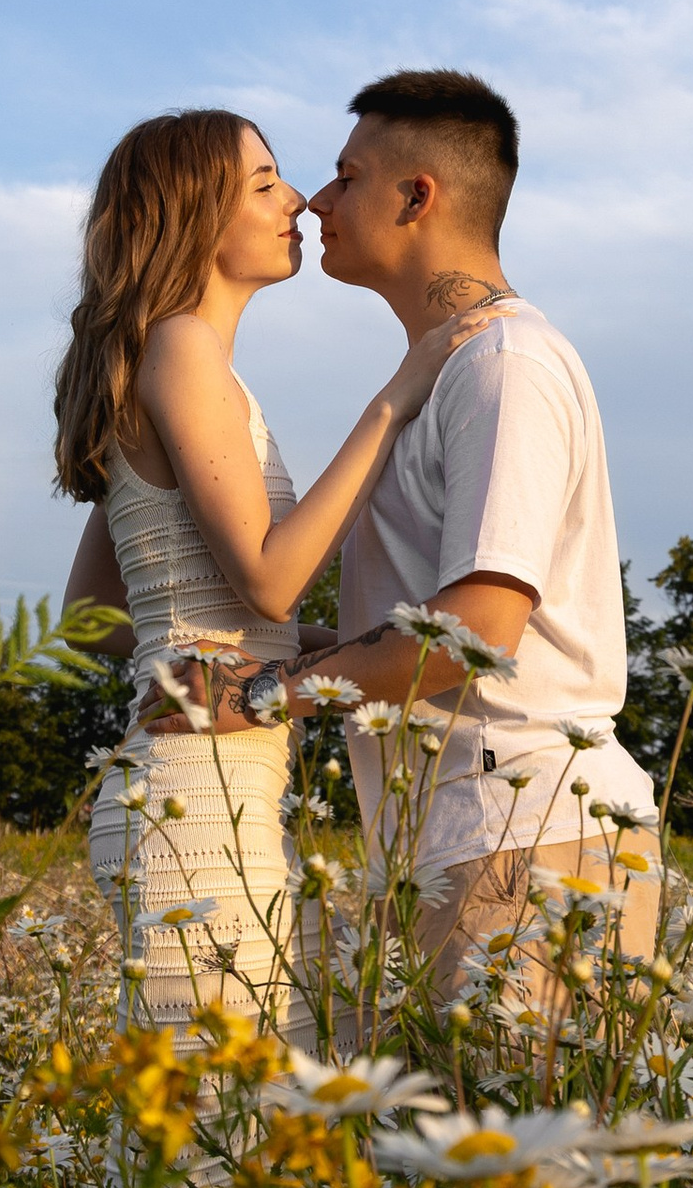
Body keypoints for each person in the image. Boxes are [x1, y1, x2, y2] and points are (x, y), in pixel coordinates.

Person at [185, 68, 661, 1016]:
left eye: (345, 175)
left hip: (527, 833)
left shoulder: (503, 367)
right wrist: (294, 651)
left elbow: (480, 627)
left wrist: (263, 695)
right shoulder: (449, 374)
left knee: (530, 1157)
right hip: (465, 837)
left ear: (417, 196)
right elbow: (432, 621)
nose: (318, 200)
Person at [54, 106, 479, 1028]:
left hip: (201, 787)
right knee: (223, 1129)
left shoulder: (162, 359)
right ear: (195, 217)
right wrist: (392, 404)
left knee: (254, 1107)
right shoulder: (182, 349)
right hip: (193, 803)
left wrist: (254, 655)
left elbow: (88, 611)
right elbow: (269, 579)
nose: (295, 199)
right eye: (264, 184)